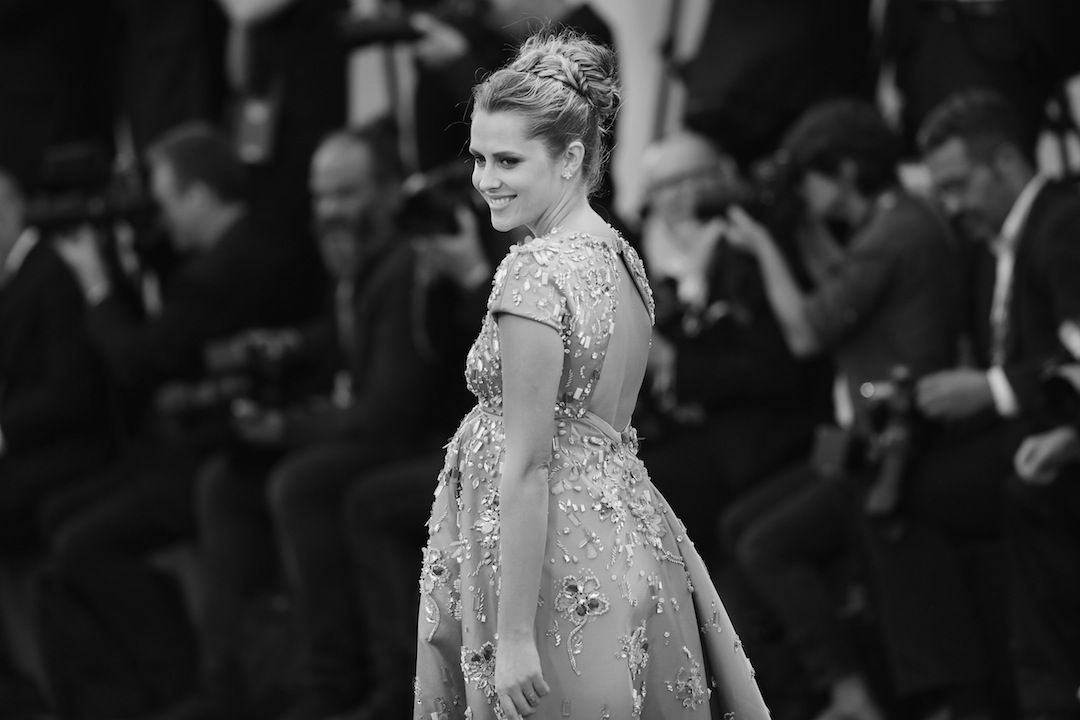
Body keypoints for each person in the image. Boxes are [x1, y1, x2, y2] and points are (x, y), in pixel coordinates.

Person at [413, 30, 768, 720]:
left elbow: (529, 465)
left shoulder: (535, 271)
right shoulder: (620, 256)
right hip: (621, 537)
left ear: (572, 157)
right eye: (479, 158)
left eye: (508, 160)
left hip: (549, 566)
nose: (485, 180)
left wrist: (516, 636)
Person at [150, 120, 446, 720]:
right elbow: (336, 343)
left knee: (302, 482)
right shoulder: (356, 266)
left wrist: (287, 429)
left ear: (389, 192)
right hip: (372, 432)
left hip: (421, 440)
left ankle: (337, 681)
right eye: (319, 196)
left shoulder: (405, 266)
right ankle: (231, 680)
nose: (329, 210)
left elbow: (389, 412)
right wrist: (284, 347)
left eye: (346, 193)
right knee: (227, 480)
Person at [721, 99, 967, 720]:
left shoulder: (894, 234)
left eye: (809, 176)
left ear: (847, 170)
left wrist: (763, 246)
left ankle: (848, 694)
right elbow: (844, 287)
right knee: (736, 527)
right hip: (866, 433)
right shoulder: (893, 224)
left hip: (897, 440)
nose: (802, 190)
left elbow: (808, 331)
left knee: (765, 546)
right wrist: (800, 231)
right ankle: (814, 691)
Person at [46, 122, 302, 719]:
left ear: (197, 195)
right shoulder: (262, 239)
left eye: (163, 202)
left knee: (81, 542)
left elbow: (138, 363)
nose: (159, 218)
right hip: (208, 442)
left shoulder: (221, 273)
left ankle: (185, 685)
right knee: (61, 520)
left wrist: (96, 286)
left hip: (222, 452)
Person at [916, 89, 1080, 720]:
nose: (952, 206)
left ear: (1007, 162)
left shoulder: (1064, 226)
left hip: (1057, 432)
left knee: (999, 492)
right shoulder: (1000, 243)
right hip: (1031, 428)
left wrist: (993, 388)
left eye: (958, 186)